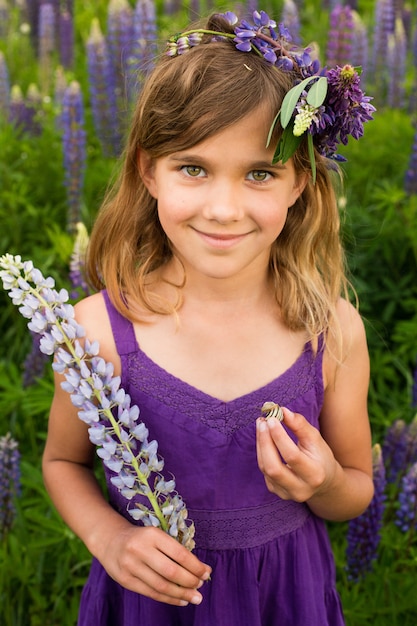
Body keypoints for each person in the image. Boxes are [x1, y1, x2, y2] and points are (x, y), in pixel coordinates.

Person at [42, 9, 375, 626]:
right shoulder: (96, 332)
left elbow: (356, 486)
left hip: (284, 600)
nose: (224, 209)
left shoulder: (332, 332)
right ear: (148, 170)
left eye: (260, 173)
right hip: (146, 605)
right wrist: (109, 538)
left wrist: (324, 482)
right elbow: (62, 463)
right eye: (193, 169)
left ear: (299, 183)